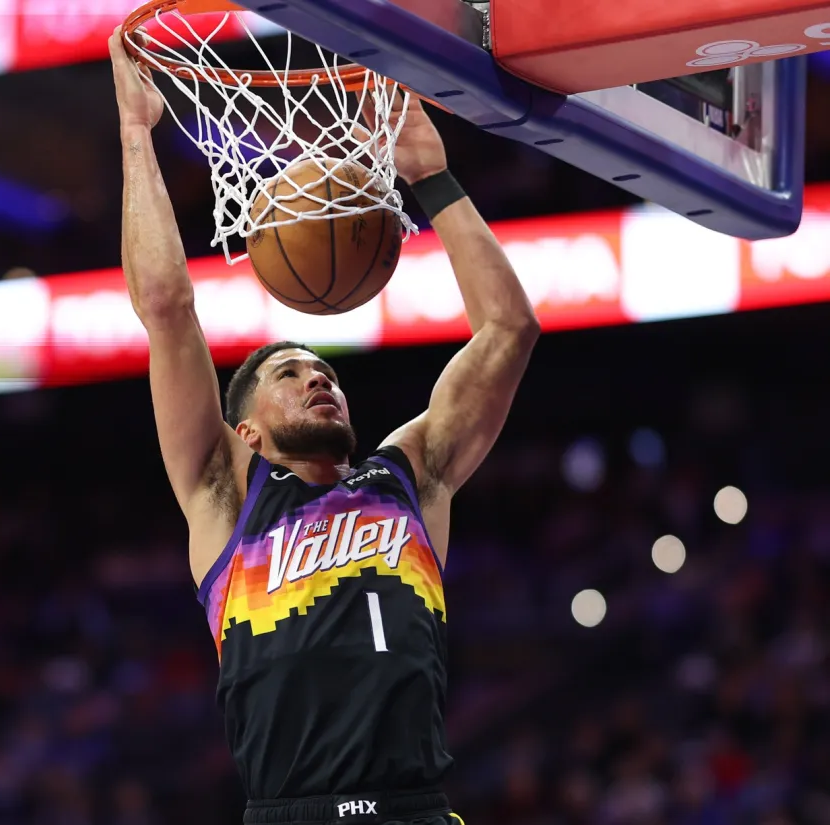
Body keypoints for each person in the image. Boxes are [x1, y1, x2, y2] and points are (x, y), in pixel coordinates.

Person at [109, 27, 540, 825]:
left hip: (414, 809)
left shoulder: (408, 475)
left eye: (327, 372)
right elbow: (167, 309)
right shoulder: (222, 497)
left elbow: (508, 331)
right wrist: (137, 133)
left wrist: (436, 181)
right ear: (246, 435)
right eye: (290, 373)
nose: (319, 378)